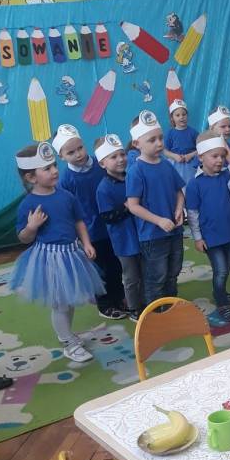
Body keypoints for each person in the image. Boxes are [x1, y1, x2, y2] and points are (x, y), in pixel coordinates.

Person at [10, 141, 104, 363]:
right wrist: (31, 226)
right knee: (60, 304)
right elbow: (24, 238)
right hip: (50, 260)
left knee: (68, 301)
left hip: (72, 255)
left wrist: (87, 243)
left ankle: (67, 334)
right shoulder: (29, 204)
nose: (54, 171)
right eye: (47, 168)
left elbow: (79, 221)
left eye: (54, 165)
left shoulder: (66, 196)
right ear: (31, 177)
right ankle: (68, 343)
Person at [54, 124, 126, 320]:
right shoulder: (66, 180)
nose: (78, 154)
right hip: (92, 233)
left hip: (113, 225)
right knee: (100, 270)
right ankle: (105, 304)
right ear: (61, 156)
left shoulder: (101, 164)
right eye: (71, 152)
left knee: (117, 265)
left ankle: (119, 297)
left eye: (80, 148)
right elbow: (68, 211)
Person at [126, 110, 185, 306]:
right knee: (156, 278)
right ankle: (156, 313)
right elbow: (133, 206)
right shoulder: (136, 171)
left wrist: (179, 208)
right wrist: (158, 220)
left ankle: (171, 308)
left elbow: (179, 192)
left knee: (173, 272)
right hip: (152, 235)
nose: (159, 143)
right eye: (152, 140)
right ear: (137, 144)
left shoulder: (167, 165)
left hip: (174, 231)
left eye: (160, 138)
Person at [186, 131, 230, 327]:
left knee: (226, 267)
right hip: (210, 236)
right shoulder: (195, 184)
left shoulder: (226, 175)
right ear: (201, 157)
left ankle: (221, 291)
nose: (220, 160)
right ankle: (222, 303)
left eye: (222, 155)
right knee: (221, 270)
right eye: (215, 156)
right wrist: (197, 237)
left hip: (227, 231)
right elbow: (192, 213)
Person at [95, 134, 143, 322]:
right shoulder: (103, 188)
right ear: (102, 163)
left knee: (145, 271)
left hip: (141, 234)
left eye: (122, 154)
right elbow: (107, 217)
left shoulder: (132, 176)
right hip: (124, 241)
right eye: (113, 157)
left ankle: (147, 302)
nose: (121, 159)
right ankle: (133, 308)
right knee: (131, 277)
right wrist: (127, 207)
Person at [163, 99, 199, 186]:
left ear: (187, 116)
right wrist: (174, 156)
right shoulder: (170, 133)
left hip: (191, 165)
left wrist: (190, 155)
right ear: (172, 118)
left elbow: (201, 148)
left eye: (184, 114)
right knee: (176, 186)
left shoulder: (193, 132)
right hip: (174, 164)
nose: (181, 117)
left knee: (190, 185)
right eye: (177, 115)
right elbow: (164, 151)